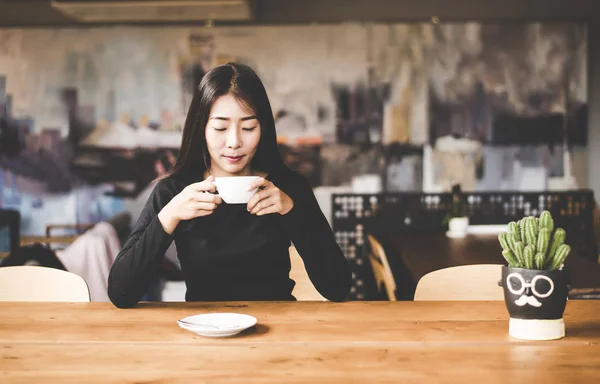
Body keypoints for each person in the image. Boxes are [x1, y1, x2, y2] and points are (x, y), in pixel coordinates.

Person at [108, 63, 352, 308]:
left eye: (248, 128)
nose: (234, 142)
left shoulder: (287, 188)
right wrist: (169, 216)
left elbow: (338, 287)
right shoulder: (176, 191)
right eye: (220, 128)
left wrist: (293, 211)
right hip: (204, 332)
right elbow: (121, 293)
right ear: (201, 128)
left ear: (263, 128)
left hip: (278, 332)